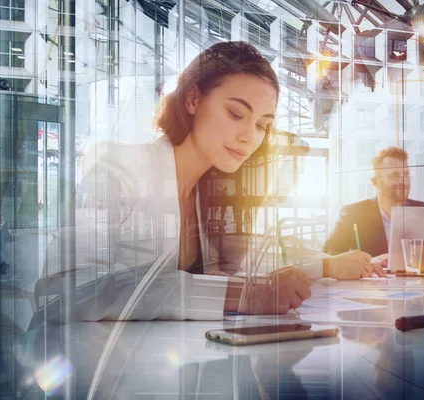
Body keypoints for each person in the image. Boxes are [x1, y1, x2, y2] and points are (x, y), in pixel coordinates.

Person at [65, 41, 372, 322]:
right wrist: (238, 294)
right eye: (236, 113)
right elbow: (74, 291)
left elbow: (252, 254)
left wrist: (328, 265)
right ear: (193, 99)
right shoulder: (119, 168)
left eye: (262, 125)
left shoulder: (210, 190)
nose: (249, 137)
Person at [323, 147, 424, 270]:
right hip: (371, 286)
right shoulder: (353, 213)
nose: (403, 181)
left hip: (417, 284)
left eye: (406, 174)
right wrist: (367, 261)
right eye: (394, 175)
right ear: (375, 182)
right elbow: (329, 252)